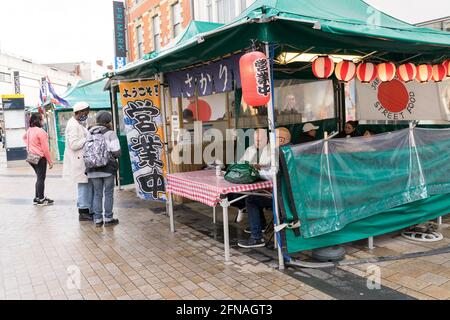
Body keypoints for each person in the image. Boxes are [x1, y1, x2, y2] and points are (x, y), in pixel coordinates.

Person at [237, 127, 291, 249]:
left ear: (281, 140)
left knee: (251, 199)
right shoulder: (289, 151)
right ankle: (260, 226)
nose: (270, 142)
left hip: (282, 199)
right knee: (255, 194)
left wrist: (256, 171)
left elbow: (273, 174)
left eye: (273, 139)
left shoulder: (279, 153)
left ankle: (257, 238)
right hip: (290, 197)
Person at [86, 111, 121, 228]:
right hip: (107, 168)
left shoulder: (89, 132)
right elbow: (117, 152)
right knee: (108, 193)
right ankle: (108, 218)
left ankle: (98, 219)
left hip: (92, 168)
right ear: (108, 121)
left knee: (97, 193)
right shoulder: (110, 133)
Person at [63, 101, 93, 221]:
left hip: (82, 160)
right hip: (78, 160)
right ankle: (83, 211)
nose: (87, 114)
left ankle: (86, 209)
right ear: (79, 112)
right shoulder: (73, 125)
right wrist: (87, 138)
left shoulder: (78, 123)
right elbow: (74, 145)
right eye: (86, 112)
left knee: (85, 185)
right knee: (83, 186)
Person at [23, 113, 54, 206]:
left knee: (39, 178)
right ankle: (41, 199)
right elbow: (45, 149)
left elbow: (24, 138)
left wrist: (32, 147)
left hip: (31, 157)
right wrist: (50, 161)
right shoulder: (41, 131)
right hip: (40, 158)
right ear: (38, 120)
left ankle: (37, 197)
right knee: (41, 178)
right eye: (42, 119)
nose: (43, 121)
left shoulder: (29, 130)